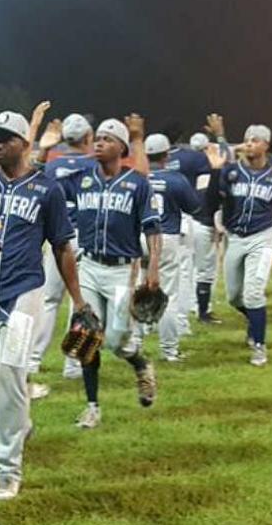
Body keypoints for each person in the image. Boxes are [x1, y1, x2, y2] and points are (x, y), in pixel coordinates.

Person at [0, 109, 86, 496]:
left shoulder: (46, 189)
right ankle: (21, 423)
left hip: (23, 294)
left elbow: (62, 247)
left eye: (4, 138)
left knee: (10, 375)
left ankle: (8, 469)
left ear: (24, 143)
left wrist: (78, 299)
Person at [71, 117, 160, 429]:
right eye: (98, 137)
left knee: (116, 341)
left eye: (108, 139)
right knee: (86, 336)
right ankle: (92, 406)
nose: (99, 143)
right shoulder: (81, 179)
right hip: (88, 266)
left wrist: (153, 269)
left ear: (122, 148)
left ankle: (140, 363)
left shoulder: (138, 183)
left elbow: (152, 228)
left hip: (123, 270)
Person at [203, 125, 272, 366]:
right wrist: (216, 172)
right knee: (234, 297)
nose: (249, 143)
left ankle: (259, 345)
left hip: (264, 236)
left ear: (266, 145)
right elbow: (210, 204)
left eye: (255, 140)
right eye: (247, 139)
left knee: (253, 293)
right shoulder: (230, 172)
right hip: (235, 237)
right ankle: (255, 320)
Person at [31, 113, 98, 386]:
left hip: (57, 236)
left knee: (49, 300)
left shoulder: (51, 166)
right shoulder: (95, 165)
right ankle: (72, 365)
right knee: (78, 302)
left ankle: (33, 359)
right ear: (88, 137)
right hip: (84, 236)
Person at [145, 133, 201, 361]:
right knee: (167, 295)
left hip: (137, 237)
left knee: (137, 292)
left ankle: (134, 344)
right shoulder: (176, 179)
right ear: (167, 155)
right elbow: (194, 207)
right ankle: (169, 350)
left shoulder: (137, 177)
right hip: (164, 237)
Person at [171, 117, 225, 325]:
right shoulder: (206, 168)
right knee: (205, 270)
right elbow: (210, 195)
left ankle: (186, 307)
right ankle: (202, 311)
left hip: (182, 220)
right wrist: (220, 137)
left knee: (184, 269)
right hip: (202, 220)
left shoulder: (178, 163)